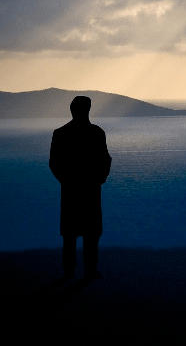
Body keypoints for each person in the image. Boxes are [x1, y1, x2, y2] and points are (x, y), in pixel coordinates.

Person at [49, 96, 111, 280]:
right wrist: (98, 179)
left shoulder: (63, 133)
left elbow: (105, 159)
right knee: (81, 234)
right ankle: (81, 271)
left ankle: (78, 271)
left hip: (77, 191)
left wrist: (68, 181)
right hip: (86, 190)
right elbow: (105, 160)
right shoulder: (95, 133)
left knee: (79, 235)